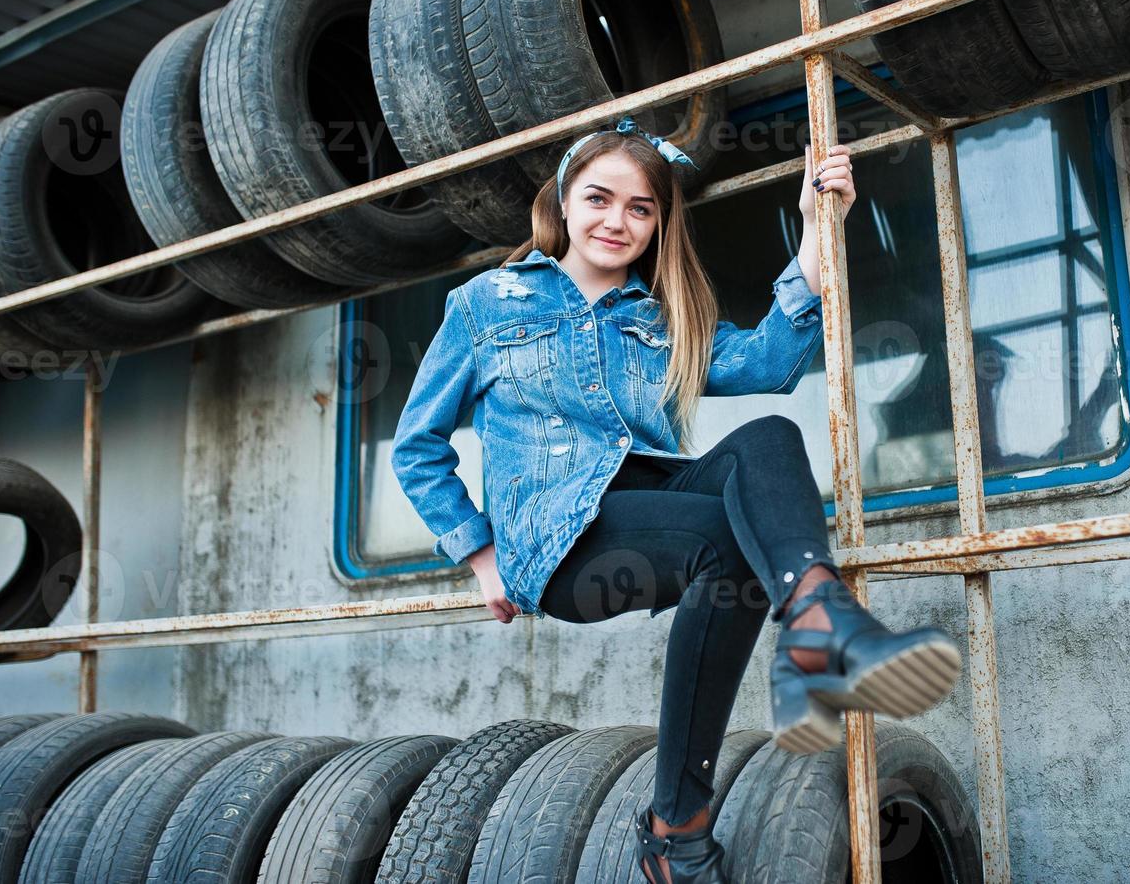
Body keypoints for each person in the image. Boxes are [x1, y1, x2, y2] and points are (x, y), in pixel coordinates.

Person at [391, 117, 961, 884]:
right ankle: (692, 807)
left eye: (640, 208)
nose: (617, 221)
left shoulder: (659, 318)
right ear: (564, 201)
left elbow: (767, 362)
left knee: (763, 443)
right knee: (729, 545)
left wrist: (818, 225)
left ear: (658, 222)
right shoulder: (485, 304)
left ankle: (797, 658)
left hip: (649, 512)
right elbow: (416, 446)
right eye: (599, 199)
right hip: (559, 545)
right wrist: (479, 553)